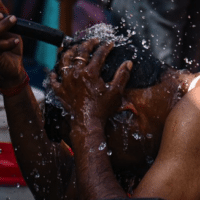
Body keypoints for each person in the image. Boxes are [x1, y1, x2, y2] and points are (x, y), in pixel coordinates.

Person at [1, 1, 200, 200]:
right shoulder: (135, 134)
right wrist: (14, 82)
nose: (96, 155)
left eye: (101, 146)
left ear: (127, 113)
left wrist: (88, 124)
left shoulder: (194, 112)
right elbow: (63, 193)